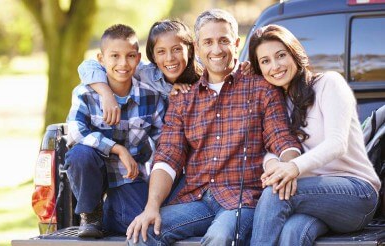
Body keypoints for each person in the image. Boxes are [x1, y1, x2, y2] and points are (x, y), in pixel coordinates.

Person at [125, 9, 302, 246]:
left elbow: (281, 138)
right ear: (197, 48)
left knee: (219, 237)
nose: (216, 50)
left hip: (243, 202)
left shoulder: (262, 89)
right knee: (142, 234)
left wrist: (290, 166)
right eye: (208, 42)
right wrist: (151, 207)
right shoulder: (184, 99)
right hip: (197, 200)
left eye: (223, 41)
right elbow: (168, 157)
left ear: (237, 44)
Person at [248, 24, 381, 246]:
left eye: (281, 55)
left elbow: (337, 143)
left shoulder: (328, 83)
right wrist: (274, 167)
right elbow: (271, 150)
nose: (275, 66)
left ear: (294, 53)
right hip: (313, 198)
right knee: (293, 231)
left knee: (274, 194)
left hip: (356, 193)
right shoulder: (276, 102)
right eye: (265, 61)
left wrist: (293, 168)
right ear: (259, 69)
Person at [65, 24, 165, 238]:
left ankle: (110, 213)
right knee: (80, 154)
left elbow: (163, 142)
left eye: (130, 56)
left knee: (141, 226)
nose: (123, 63)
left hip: (129, 176)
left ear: (138, 59)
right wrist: (117, 149)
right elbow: (74, 132)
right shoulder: (85, 93)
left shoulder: (150, 96)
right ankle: (91, 213)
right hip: (95, 170)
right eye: (115, 56)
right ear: (101, 59)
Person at [77, 19, 202, 126]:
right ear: (153, 55)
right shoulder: (145, 73)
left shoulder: (202, 74)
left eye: (176, 49)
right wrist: (106, 93)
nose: (169, 58)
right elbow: (87, 66)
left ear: (190, 50)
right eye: (161, 52)